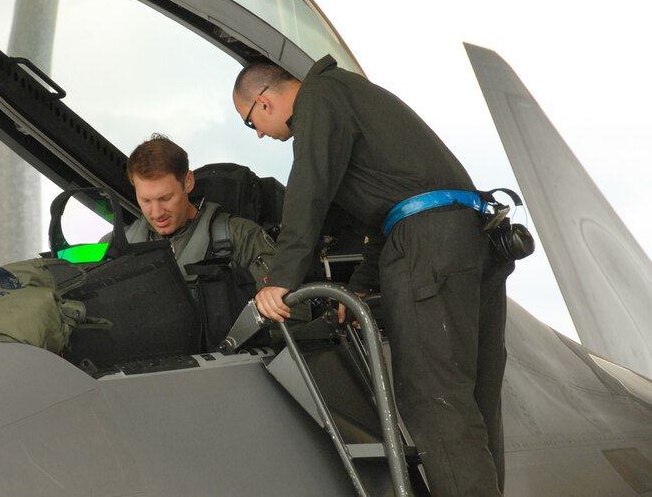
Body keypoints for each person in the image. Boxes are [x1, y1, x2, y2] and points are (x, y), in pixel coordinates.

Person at [232, 56, 515, 496]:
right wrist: (363, 284)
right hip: (471, 238)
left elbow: (309, 190)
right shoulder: (350, 95)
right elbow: (394, 209)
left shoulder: (320, 100)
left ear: (263, 102)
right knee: (472, 403)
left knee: (434, 399)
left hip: (429, 245)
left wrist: (280, 279)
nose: (262, 136)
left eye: (251, 124)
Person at [125, 133, 276, 291]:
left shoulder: (242, 237)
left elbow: (292, 303)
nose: (156, 213)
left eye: (165, 198)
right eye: (146, 200)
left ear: (188, 182)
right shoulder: (109, 245)